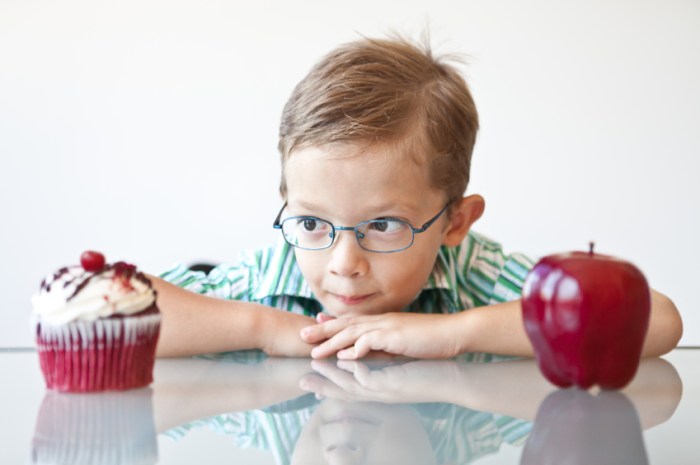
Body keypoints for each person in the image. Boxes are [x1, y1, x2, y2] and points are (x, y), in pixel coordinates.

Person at [152, 35, 682, 359]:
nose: (343, 264)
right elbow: (88, 311)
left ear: (455, 222)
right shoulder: (267, 280)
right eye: (312, 223)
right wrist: (267, 329)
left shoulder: (476, 274)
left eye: (383, 225)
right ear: (287, 205)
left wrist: (455, 333)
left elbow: (657, 322)